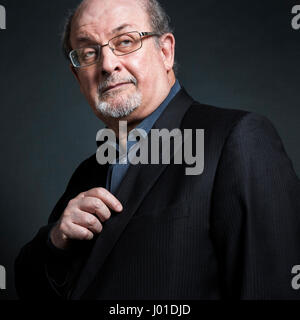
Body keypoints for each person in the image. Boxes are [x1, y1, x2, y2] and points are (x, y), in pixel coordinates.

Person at [15, 0, 300, 300]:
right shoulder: (87, 175)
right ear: (77, 78)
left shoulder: (238, 139)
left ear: (165, 52)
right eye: (89, 52)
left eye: (125, 41)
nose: (107, 64)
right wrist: (56, 240)